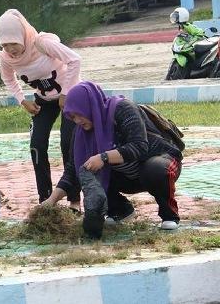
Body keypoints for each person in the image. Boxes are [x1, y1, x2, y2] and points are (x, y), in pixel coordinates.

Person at [42, 81, 183, 234]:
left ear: (88, 105)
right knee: (87, 173)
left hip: (158, 162)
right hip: (125, 176)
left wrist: (103, 157)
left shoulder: (122, 109)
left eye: (78, 114)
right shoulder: (81, 132)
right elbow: (72, 171)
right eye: (72, 117)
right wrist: (51, 201)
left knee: (154, 170)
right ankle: (121, 211)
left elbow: (139, 146)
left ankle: (169, 215)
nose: (77, 121)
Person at [0, 9, 81, 210]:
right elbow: (8, 78)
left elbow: (75, 60)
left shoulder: (42, 44)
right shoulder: (5, 58)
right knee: (36, 146)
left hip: (71, 97)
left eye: (14, 43)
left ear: (22, 36)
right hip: (43, 101)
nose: (10, 49)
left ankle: (74, 200)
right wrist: (22, 100)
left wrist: (66, 93)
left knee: (68, 144)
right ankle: (46, 201)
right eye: (5, 44)